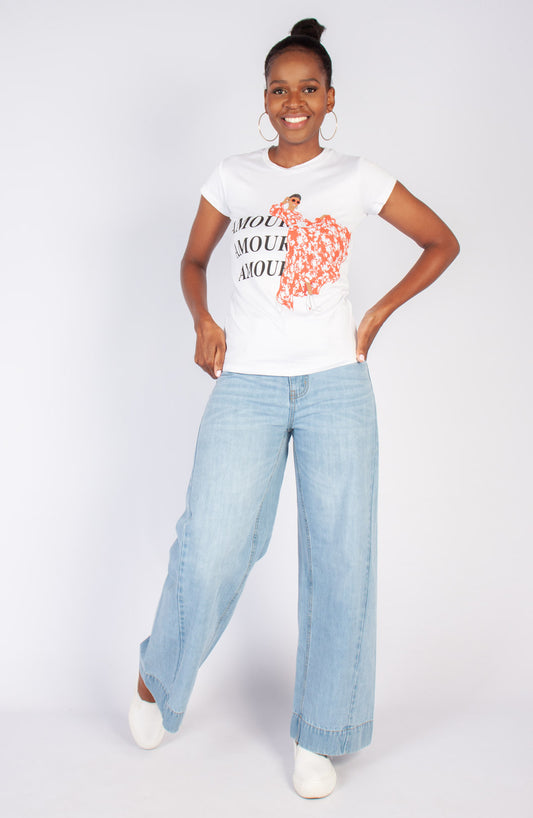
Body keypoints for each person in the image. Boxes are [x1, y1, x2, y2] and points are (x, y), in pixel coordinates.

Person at [128, 18, 460, 799]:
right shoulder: (233, 177)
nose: (293, 102)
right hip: (245, 382)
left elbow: (440, 242)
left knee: (341, 560)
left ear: (330, 98)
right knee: (211, 545)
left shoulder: (355, 177)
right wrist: (202, 319)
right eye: (279, 89)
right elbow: (192, 258)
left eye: (308, 88)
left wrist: (374, 317)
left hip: (335, 386)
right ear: (264, 99)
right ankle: (157, 675)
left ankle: (322, 732)